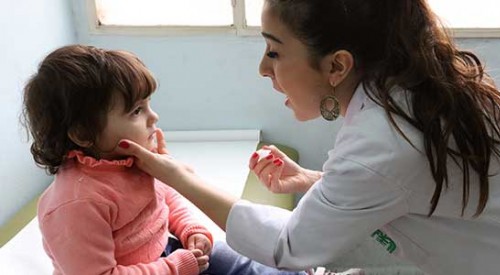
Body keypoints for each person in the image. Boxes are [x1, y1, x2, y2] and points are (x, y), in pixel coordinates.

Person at [116, 0, 500, 274]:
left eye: (274, 50)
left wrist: (173, 174)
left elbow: (289, 245)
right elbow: (416, 183)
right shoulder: (405, 87)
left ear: (338, 65)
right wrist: (315, 181)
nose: (262, 68)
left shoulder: (385, 134)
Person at [22, 45, 308, 275]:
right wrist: (174, 266)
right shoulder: (76, 203)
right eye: (136, 111)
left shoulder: (131, 159)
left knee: (256, 263)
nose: (153, 117)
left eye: (148, 105)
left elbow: (165, 199)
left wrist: (190, 230)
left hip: (171, 254)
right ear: (83, 134)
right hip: (158, 267)